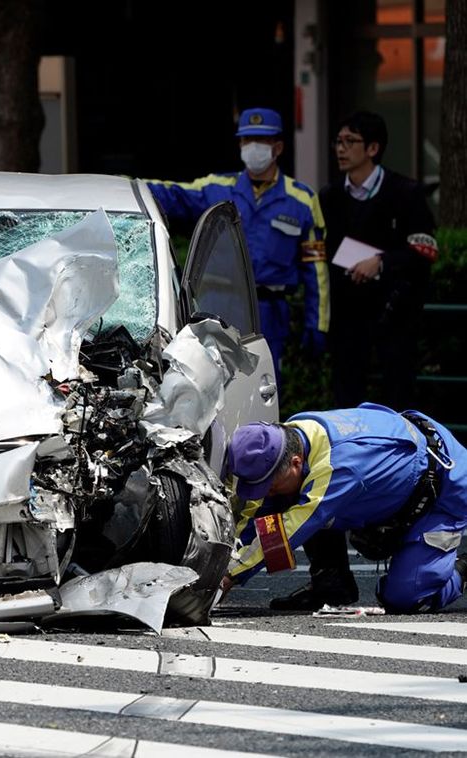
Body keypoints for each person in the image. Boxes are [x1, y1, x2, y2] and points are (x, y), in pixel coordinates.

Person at [222, 404, 467, 612]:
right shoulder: (290, 436)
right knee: (287, 499)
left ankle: (462, 570)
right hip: (393, 479)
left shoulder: (339, 467)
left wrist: (228, 577)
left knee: (405, 599)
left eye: (269, 485)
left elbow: (288, 529)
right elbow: (253, 510)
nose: (265, 493)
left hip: (442, 491)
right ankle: (332, 585)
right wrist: (221, 561)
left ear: (296, 463)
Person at [147, 107, 328, 387]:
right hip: (218, 307)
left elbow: (316, 272)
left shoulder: (302, 200)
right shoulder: (217, 187)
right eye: (246, 140)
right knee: (211, 389)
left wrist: (318, 324)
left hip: (269, 311)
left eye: (260, 140)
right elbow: (170, 194)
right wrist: (120, 185)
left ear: (277, 147)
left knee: (263, 387)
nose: (252, 147)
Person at [321, 111, 438, 410]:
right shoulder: (330, 196)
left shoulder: (405, 193)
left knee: (398, 395)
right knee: (347, 396)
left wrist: (382, 261)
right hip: (348, 315)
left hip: (394, 313)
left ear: (373, 148)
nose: (340, 148)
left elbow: (425, 250)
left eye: (350, 141)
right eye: (338, 141)